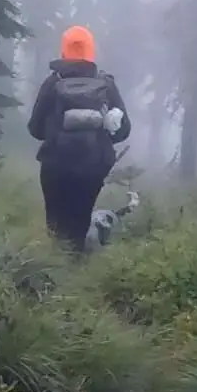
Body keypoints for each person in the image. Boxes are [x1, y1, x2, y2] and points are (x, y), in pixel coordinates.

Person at [27, 25, 131, 249]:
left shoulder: (52, 83)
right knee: (80, 220)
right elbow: (124, 131)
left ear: (64, 50)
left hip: (56, 165)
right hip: (93, 166)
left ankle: (53, 268)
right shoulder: (106, 84)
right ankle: (77, 264)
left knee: (56, 222)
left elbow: (34, 129)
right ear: (91, 51)